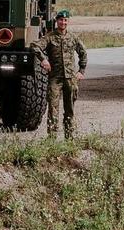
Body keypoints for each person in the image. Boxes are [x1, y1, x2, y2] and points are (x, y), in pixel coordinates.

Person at [33, 9, 87, 139]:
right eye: (61, 20)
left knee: (70, 109)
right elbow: (35, 46)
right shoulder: (50, 37)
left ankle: (69, 137)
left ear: (68, 21)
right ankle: (52, 139)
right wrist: (44, 60)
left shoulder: (73, 38)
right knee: (53, 109)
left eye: (65, 20)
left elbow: (83, 53)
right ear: (57, 21)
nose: (63, 22)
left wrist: (81, 71)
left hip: (70, 79)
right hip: (55, 79)